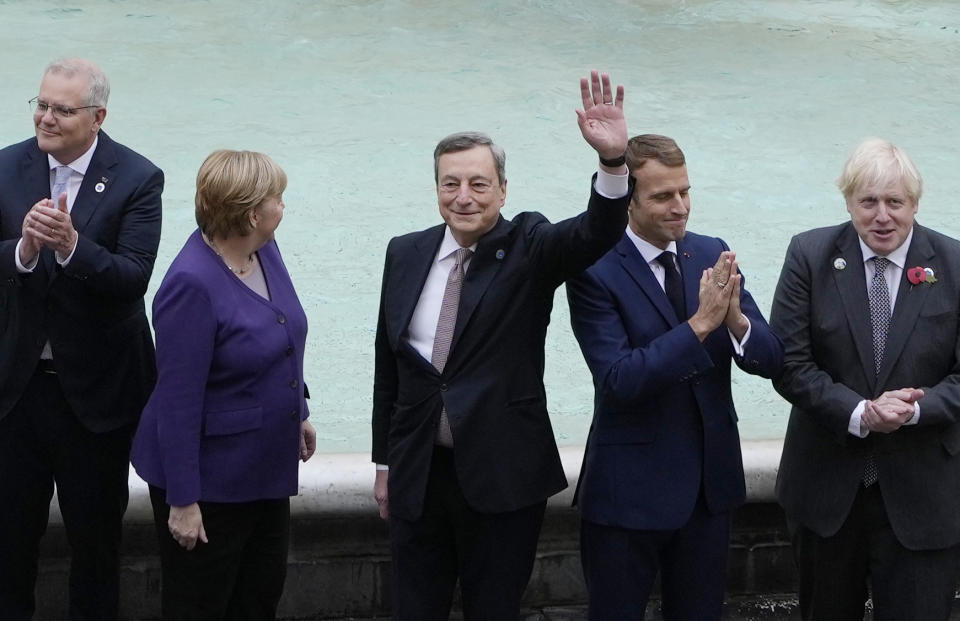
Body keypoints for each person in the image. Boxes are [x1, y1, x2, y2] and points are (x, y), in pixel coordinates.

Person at [370, 71, 632, 620]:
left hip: (502, 476)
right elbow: (389, 368)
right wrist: (384, 464)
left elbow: (594, 232)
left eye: (478, 184)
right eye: (450, 183)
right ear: (436, 187)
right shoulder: (404, 252)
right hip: (419, 473)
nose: (463, 197)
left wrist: (612, 164)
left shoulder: (529, 246)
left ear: (503, 190)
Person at [566, 134, 783, 620]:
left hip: (709, 493)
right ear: (628, 202)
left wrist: (734, 321)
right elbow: (619, 380)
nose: (680, 207)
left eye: (685, 192)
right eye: (663, 196)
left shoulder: (712, 252)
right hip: (627, 496)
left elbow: (771, 359)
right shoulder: (593, 269)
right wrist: (701, 323)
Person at [0, 58, 163, 620]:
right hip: (15, 396)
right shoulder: (3, 167)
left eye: (61, 110)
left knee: (96, 552)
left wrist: (72, 247)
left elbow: (132, 280)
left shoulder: (139, 178)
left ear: (97, 117)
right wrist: (22, 250)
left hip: (95, 401)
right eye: (41, 104)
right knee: (7, 549)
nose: (45, 118)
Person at [771, 138, 960, 620]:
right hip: (827, 493)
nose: (882, 216)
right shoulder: (809, 256)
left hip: (923, 497)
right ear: (848, 201)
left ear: (915, 203)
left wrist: (914, 410)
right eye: (868, 201)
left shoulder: (955, 265)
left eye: (895, 202)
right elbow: (789, 364)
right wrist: (860, 413)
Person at [131, 149, 316, 620]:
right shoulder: (190, 285)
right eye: (278, 198)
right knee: (202, 605)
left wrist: (302, 410)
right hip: (210, 481)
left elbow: (282, 332)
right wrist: (183, 501)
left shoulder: (263, 251)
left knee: (259, 598)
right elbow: (176, 401)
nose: (283, 206)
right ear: (252, 212)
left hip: (265, 466)